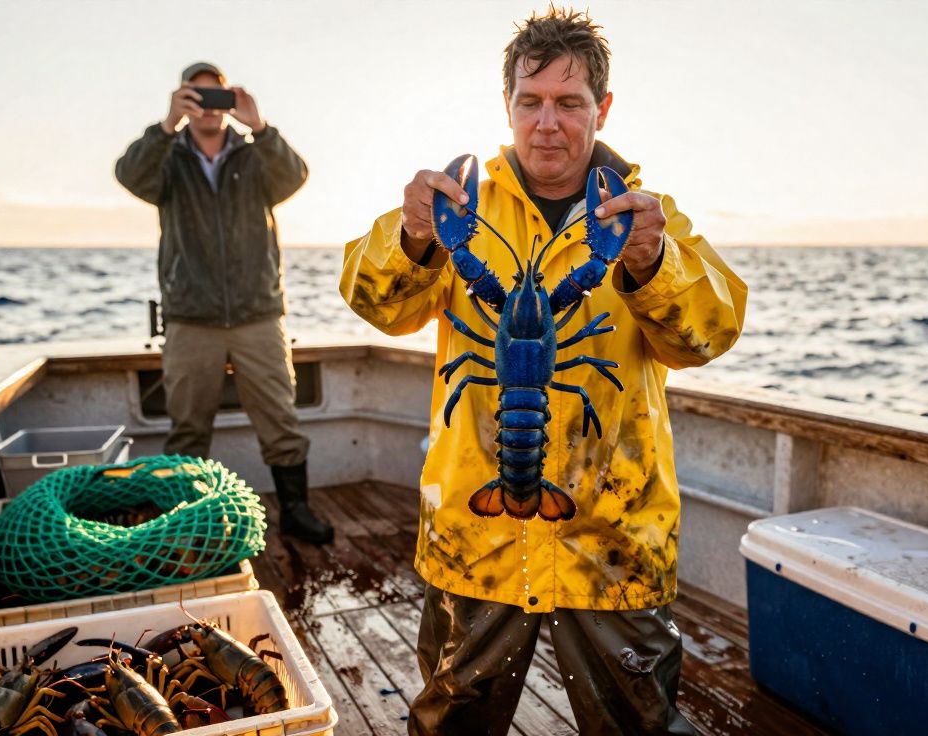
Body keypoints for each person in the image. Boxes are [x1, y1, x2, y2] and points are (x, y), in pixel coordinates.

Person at [341, 8, 747, 735]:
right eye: (530, 102)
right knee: (451, 722)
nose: (547, 124)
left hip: (611, 539)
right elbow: (376, 304)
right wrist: (412, 237)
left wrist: (653, 262)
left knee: (636, 723)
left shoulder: (645, 218)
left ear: (603, 108)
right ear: (507, 107)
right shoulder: (457, 209)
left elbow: (710, 334)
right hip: (477, 538)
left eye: (569, 103)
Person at [116, 62, 333, 545]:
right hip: (190, 317)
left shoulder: (255, 157)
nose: (208, 109)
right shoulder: (168, 160)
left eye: (216, 98)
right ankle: (187, 524)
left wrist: (261, 126)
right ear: (183, 100)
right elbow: (129, 175)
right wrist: (164, 126)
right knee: (188, 429)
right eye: (197, 97)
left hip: (259, 313)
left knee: (281, 420)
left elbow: (295, 176)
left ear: (229, 103)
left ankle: (296, 512)